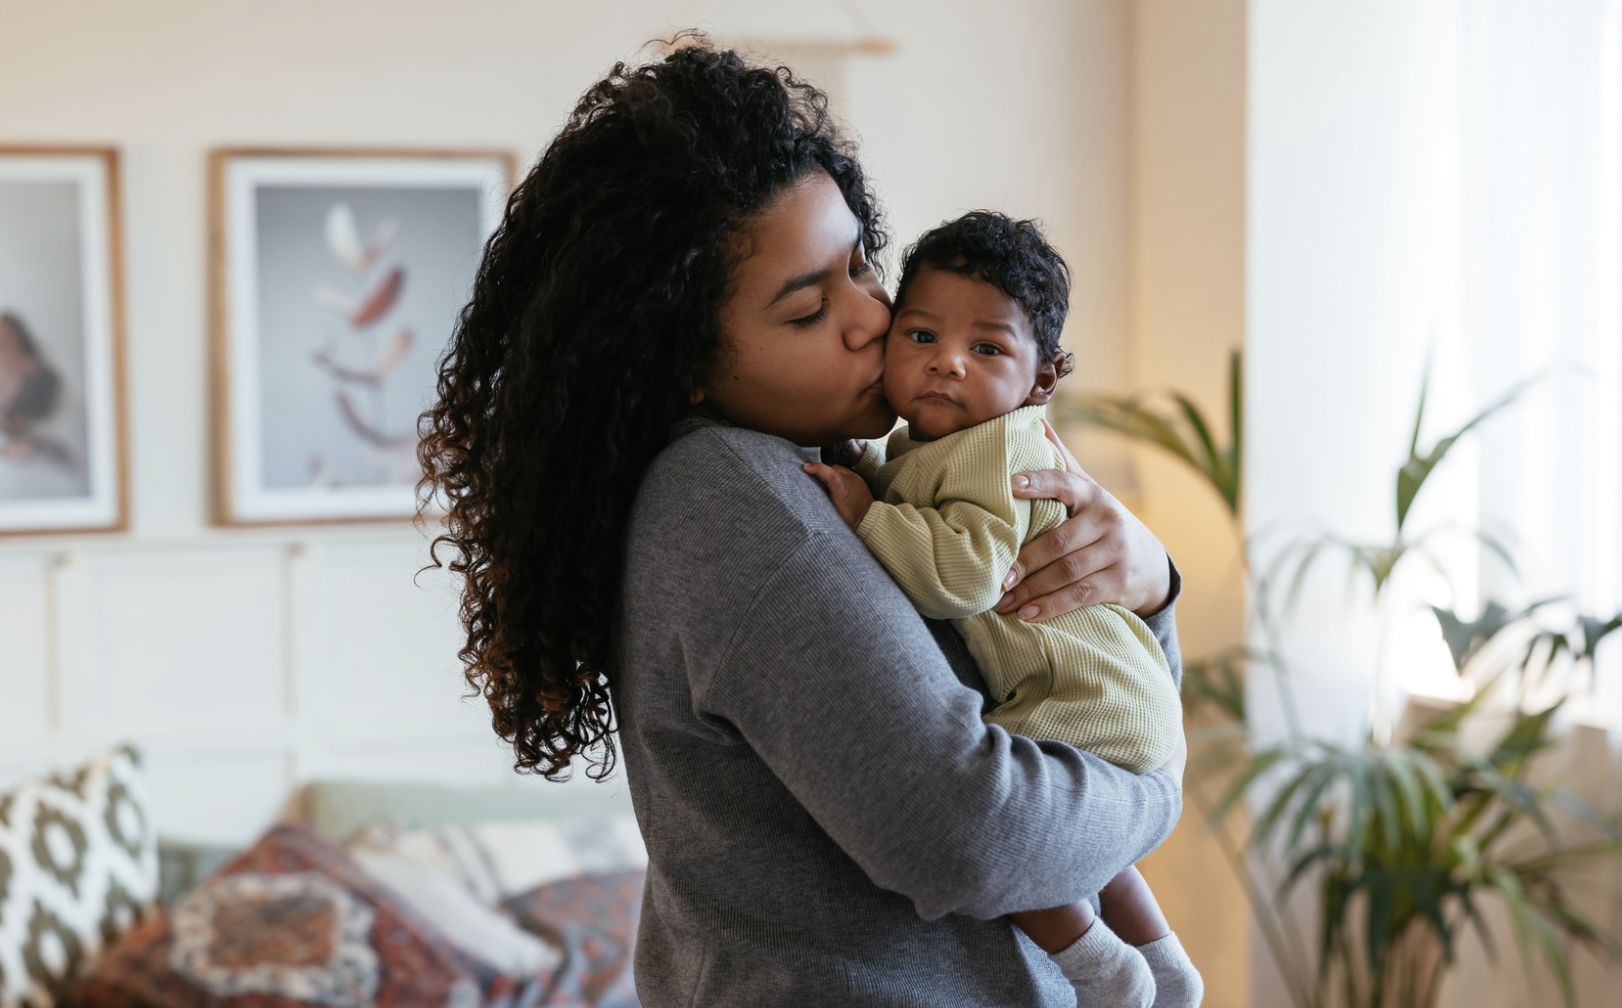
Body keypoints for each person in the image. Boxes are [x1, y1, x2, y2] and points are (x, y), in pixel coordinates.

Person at [419, 40, 1188, 1007]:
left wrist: (1148, 584)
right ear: (685, 368)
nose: (873, 318)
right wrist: (1159, 779)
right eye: (807, 310)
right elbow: (963, 830)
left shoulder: (845, 465)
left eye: (862, 270)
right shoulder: (732, 499)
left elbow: (1055, 673)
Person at [806, 211, 1202, 1008]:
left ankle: (1102, 967)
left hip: (1083, 693)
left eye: (986, 348)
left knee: (1002, 819)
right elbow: (918, 492)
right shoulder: (933, 447)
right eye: (919, 336)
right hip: (1109, 688)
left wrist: (865, 517)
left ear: (1042, 379)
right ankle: (1164, 963)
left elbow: (962, 575)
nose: (946, 362)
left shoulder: (1004, 450)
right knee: (1096, 849)